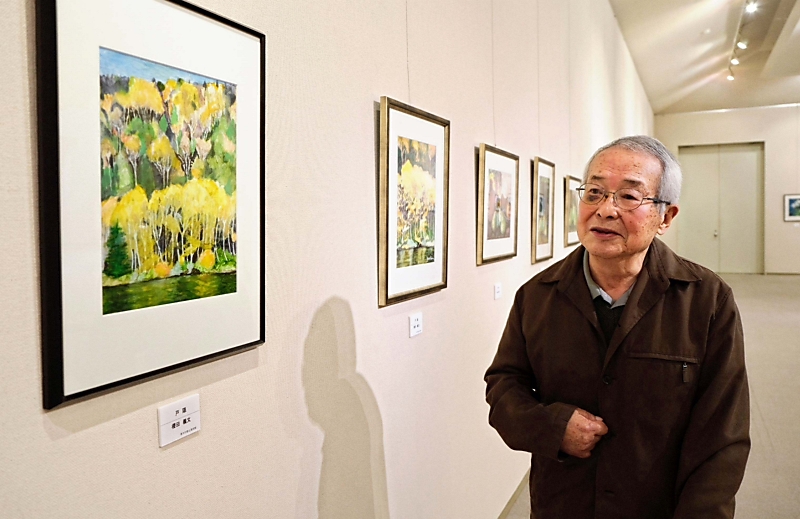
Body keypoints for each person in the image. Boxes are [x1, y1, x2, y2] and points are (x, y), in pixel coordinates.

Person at [484, 136, 750, 519]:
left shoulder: (706, 301)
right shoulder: (538, 296)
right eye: (594, 192)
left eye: (628, 197)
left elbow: (723, 436)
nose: (605, 210)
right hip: (564, 504)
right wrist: (553, 427)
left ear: (666, 217)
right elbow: (504, 388)